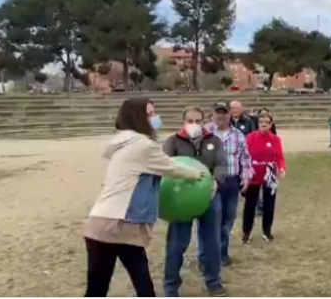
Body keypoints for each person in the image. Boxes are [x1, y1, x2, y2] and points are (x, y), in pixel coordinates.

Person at [83, 98, 202, 297]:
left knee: (97, 288)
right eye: (150, 114)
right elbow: (172, 168)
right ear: (138, 118)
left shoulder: (122, 143)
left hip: (100, 222)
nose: (155, 118)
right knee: (142, 286)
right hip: (120, 223)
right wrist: (198, 174)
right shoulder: (143, 146)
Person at [162, 107, 228, 297]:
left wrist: (216, 181)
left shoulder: (214, 141)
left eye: (198, 121)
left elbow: (222, 164)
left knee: (212, 242)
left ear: (204, 121)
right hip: (180, 199)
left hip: (209, 197)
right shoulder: (173, 141)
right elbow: (165, 164)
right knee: (176, 244)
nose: (195, 124)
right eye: (190, 121)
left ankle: (213, 281)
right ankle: (171, 286)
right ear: (183, 122)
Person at [198, 101, 252, 268]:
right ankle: (204, 256)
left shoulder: (238, 135)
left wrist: (246, 177)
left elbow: (245, 158)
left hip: (231, 182)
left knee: (227, 220)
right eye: (218, 113)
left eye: (224, 112)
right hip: (209, 183)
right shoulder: (203, 134)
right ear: (212, 115)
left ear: (230, 114)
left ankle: (221, 252)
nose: (221, 116)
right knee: (207, 221)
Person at [242, 112, 287, 242]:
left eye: (266, 122)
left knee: (269, 204)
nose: (264, 124)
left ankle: (267, 231)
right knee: (250, 205)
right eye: (261, 122)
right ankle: (247, 232)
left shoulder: (275, 139)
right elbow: (245, 155)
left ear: (270, 124)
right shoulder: (250, 137)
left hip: (269, 175)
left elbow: (279, 156)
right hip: (253, 175)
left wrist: (282, 168)